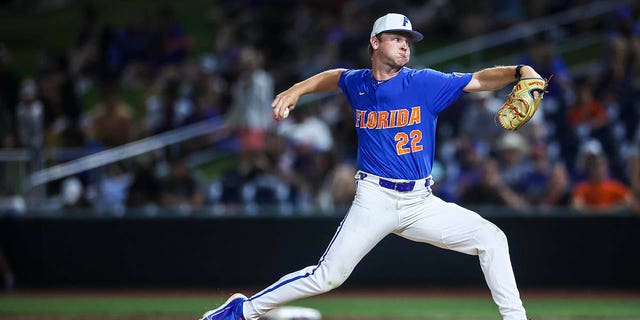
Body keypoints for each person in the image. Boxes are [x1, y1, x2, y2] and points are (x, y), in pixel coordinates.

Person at [200, 13, 543, 320]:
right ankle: (242, 310)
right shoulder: (359, 83)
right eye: (396, 39)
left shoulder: (424, 82)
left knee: (492, 238)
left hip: (420, 203)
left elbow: (479, 79)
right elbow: (335, 77)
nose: (404, 46)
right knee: (328, 276)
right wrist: (296, 90)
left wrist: (518, 72)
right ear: (375, 43)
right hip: (374, 197)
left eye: (407, 41)